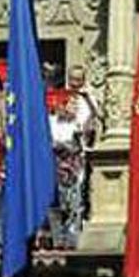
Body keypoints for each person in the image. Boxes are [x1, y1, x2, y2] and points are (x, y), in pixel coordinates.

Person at [48, 90, 85, 249]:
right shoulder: (51, 121)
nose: (70, 108)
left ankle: (71, 238)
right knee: (55, 205)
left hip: (72, 169)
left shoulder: (77, 123)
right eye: (66, 104)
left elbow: (79, 145)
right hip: (54, 168)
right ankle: (58, 239)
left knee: (73, 204)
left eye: (71, 104)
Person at [67, 64, 100, 147]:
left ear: (83, 81)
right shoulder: (62, 96)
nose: (74, 83)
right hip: (65, 143)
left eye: (78, 80)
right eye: (72, 79)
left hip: (83, 142)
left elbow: (95, 115)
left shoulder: (89, 98)